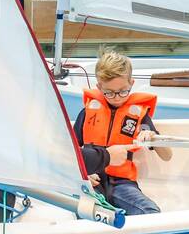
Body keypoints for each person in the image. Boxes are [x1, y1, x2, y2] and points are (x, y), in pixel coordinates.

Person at [73, 49, 172, 216]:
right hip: (91, 182)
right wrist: (82, 174)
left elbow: (167, 155)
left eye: (123, 91)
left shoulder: (140, 117)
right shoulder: (87, 113)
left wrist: (153, 138)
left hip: (122, 184)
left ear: (131, 84)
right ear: (99, 87)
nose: (117, 97)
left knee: (151, 213)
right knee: (88, 214)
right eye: (109, 92)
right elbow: (69, 151)